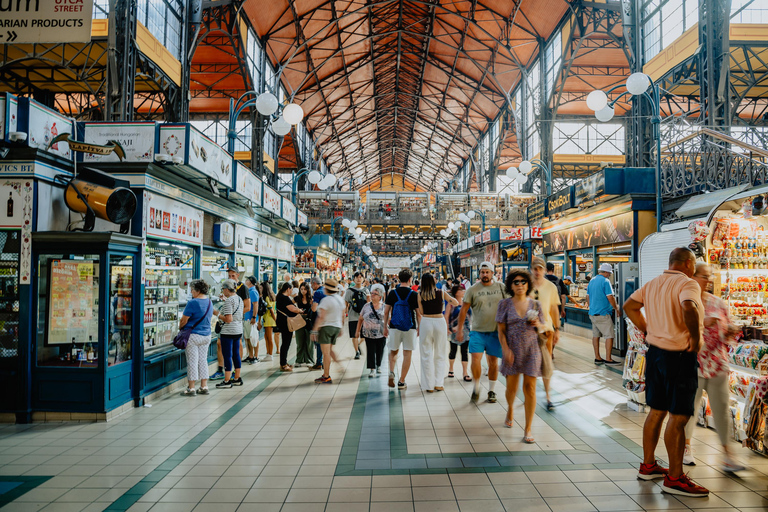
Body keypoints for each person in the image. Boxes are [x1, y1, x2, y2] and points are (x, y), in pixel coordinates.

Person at [623, 247, 708, 497]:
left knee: (657, 411)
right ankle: (675, 477)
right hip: (679, 356)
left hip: (656, 354)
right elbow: (689, 308)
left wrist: (648, 330)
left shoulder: (653, 284)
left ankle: (648, 465)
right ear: (688, 263)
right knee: (679, 416)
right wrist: (695, 337)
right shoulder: (688, 283)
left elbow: (629, 306)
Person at [684, 263, 744, 472]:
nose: (708, 281)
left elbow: (727, 330)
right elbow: (679, 331)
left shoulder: (718, 302)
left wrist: (731, 331)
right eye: (704, 276)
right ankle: (686, 447)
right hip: (695, 362)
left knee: (722, 409)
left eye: (710, 277)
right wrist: (702, 323)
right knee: (689, 409)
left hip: (718, 363)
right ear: (693, 277)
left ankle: (728, 454)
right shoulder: (687, 302)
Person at [496, 270, 544, 441]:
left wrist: (538, 324)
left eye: (523, 282)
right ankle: (510, 408)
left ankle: (528, 429)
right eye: (516, 282)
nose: (520, 285)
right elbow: (501, 330)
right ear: (510, 285)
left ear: (528, 284)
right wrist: (505, 349)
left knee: (530, 388)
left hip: (532, 350)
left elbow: (544, 331)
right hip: (512, 350)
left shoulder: (536, 305)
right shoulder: (504, 304)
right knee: (511, 389)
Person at [456, 262, 507, 403]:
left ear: (492, 273)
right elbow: (463, 310)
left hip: (495, 332)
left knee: (492, 362)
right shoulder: (472, 290)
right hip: (477, 331)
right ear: (479, 274)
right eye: (482, 272)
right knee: (476, 359)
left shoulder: (501, 287)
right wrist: (459, 329)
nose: (485, 274)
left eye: (487, 272)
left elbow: (510, 305)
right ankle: (476, 387)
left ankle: (491, 390)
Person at [417, 273, 458, 392]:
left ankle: (428, 386)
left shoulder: (419, 294)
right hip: (439, 322)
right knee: (440, 353)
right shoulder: (441, 292)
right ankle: (439, 383)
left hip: (426, 322)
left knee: (426, 354)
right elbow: (455, 302)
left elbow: (421, 311)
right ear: (433, 281)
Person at [530, 257, 561, 411]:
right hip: (528, 331)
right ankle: (530, 394)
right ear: (532, 269)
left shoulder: (551, 287)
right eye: (535, 268)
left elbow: (554, 309)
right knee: (530, 364)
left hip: (546, 330)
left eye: (540, 268)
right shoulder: (525, 285)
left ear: (544, 270)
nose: (537, 271)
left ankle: (548, 396)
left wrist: (557, 329)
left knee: (546, 363)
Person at [210, 265, 250, 380]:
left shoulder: (243, 289)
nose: (231, 277)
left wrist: (223, 313)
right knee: (225, 348)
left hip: (232, 327)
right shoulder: (234, 298)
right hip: (234, 327)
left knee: (231, 352)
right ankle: (229, 374)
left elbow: (246, 307)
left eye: (233, 275)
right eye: (229, 276)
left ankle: (229, 377)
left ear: (238, 275)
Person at [384, 269, 421, 390]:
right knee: (407, 353)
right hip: (410, 327)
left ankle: (391, 371)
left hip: (394, 326)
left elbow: (386, 311)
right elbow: (418, 314)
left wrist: (385, 326)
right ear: (410, 279)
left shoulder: (392, 293)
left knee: (393, 351)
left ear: (399, 279)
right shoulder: (414, 294)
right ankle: (401, 381)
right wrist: (419, 327)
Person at [179, 279, 214, 396]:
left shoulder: (193, 303)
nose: (191, 292)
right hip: (206, 336)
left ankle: (191, 388)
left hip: (193, 336)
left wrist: (180, 327)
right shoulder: (209, 302)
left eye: (192, 290)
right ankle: (204, 386)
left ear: (198, 291)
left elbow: (184, 320)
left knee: (192, 362)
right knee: (203, 360)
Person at [311, 278, 345, 384]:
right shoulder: (340, 299)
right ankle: (339, 366)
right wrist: (341, 327)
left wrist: (314, 330)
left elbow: (321, 317)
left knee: (325, 353)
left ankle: (326, 376)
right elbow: (343, 314)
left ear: (326, 288)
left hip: (326, 328)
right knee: (329, 350)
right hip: (336, 327)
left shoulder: (326, 300)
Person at [587, 263, 621, 364]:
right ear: (605, 272)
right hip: (603, 314)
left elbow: (587, 297)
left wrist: (592, 306)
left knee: (596, 335)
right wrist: (616, 308)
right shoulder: (605, 281)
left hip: (592, 314)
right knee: (609, 335)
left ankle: (597, 358)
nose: (609, 275)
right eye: (609, 273)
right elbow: (610, 297)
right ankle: (608, 359)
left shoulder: (592, 280)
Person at [213, 279, 244, 389]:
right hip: (238, 330)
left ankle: (226, 381)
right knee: (236, 354)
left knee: (227, 355)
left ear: (226, 289)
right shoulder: (239, 299)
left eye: (223, 289)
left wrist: (217, 314)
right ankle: (237, 378)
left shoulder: (228, 301)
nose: (222, 291)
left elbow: (228, 319)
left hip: (228, 331)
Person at [356, 284, 387, 377]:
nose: (372, 295)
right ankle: (372, 369)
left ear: (380, 297)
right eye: (372, 293)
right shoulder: (366, 306)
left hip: (381, 333)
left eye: (375, 294)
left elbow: (388, 320)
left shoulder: (384, 307)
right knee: (370, 351)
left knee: (380, 350)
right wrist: (357, 331)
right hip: (368, 333)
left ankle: (378, 365)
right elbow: (360, 319)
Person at [275, 282, 303, 372]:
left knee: (285, 343)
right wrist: (300, 310)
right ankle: (283, 364)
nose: (291, 291)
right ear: (288, 289)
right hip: (286, 324)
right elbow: (292, 309)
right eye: (291, 289)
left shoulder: (280, 297)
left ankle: (284, 362)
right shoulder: (284, 298)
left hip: (282, 322)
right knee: (286, 343)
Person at [446, 284, 471, 381]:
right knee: (453, 350)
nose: (463, 291)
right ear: (456, 292)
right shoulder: (451, 304)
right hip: (453, 330)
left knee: (464, 351)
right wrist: (447, 328)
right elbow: (446, 316)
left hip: (466, 330)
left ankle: (465, 372)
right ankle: (451, 369)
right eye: (461, 290)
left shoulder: (467, 303)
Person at [345, 272, 371, 360]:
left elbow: (369, 303)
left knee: (364, 335)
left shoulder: (366, 290)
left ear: (363, 279)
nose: (359, 279)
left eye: (360, 277)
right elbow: (346, 303)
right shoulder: (349, 291)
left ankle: (358, 344)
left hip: (364, 317)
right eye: (357, 277)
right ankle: (357, 351)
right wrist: (345, 313)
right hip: (353, 316)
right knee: (354, 335)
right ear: (354, 279)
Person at [294, 282, 315, 368]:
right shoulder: (297, 298)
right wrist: (297, 310)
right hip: (299, 320)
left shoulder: (311, 298)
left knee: (309, 342)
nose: (303, 291)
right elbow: (290, 304)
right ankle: (299, 360)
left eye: (305, 289)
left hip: (309, 320)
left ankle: (309, 360)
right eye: (301, 289)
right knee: (299, 341)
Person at [242, 276, 260, 364]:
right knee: (248, 337)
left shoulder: (253, 292)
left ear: (251, 282)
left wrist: (254, 317)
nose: (245, 281)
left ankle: (255, 356)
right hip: (247, 318)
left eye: (247, 280)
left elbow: (255, 305)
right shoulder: (249, 291)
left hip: (251, 319)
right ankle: (250, 355)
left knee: (254, 337)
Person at [310, 276, 326, 370]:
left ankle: (319, 362)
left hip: (319, 320)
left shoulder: (317, 293)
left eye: (312, 284)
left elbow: (314, 308)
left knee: (319, 342)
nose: (311, 286)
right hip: (328, 320)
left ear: (315, 283)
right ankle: (325, 361)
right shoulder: (326, 291)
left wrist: (312, 303)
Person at [259, 282, 277, 361]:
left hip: (269, 319)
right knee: (267, 337)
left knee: (269, 338)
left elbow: (271, 310)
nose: (260, 289)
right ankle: (268, 353)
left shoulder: (266, 298)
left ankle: (270, 354)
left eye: (261, 288)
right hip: (270, 319)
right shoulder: (272, 297)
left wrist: (276, 320)